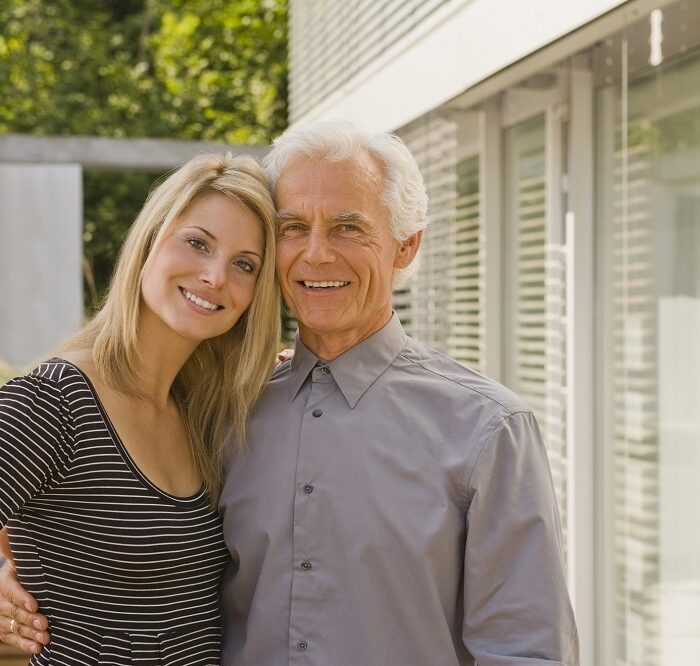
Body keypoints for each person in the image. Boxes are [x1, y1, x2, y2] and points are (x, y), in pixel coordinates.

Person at [2, 120, 579, 665]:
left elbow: (525, 651)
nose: (316, 253)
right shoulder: (220, 412)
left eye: (348, 227)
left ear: (406, 247)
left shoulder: (488, 429)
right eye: (293, 228)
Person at [0, 152, 280, 664]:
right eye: (197, 243)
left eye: (244, 264)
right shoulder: (56, 401)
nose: (216, 276)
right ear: (150, 240)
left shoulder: (203, 412)